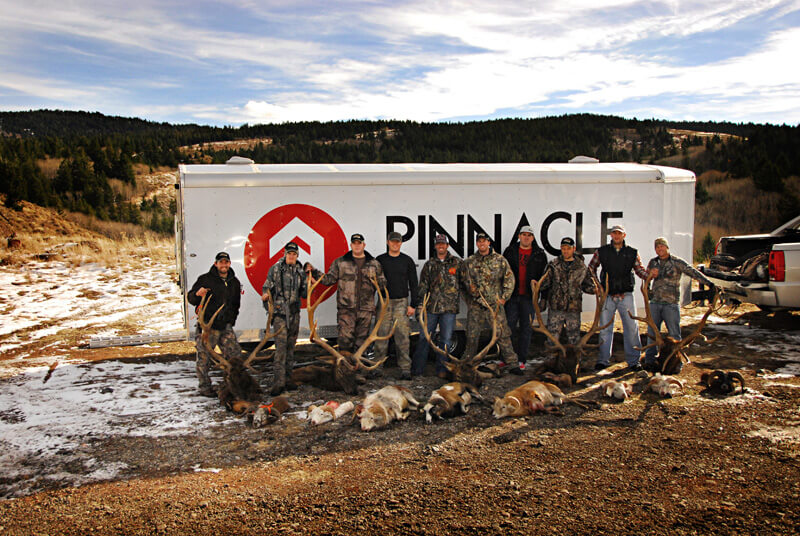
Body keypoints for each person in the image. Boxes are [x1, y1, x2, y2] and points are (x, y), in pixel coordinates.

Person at [643, 237, 719, 372]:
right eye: (657, 247)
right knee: (652, 334)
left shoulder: (677, 262)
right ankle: (649, 361)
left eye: (662, 246)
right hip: (655, 303)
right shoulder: (653, 262)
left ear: (667, 247)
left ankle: (676, 362)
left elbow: (692, 272)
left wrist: (709, 283)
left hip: (671, 304)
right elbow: (647, 278)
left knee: (675, 335)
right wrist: (648, 290)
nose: (660, 249)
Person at [307, 233, 387, 354]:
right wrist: (314, 272)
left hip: (366, 310)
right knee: (345, 341)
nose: (357, 246)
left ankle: (358, 370)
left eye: (359, 243)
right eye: (354, 243)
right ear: (351, 245)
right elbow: (329, 279)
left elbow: (382, 285)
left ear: (364, 245)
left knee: (361, 343)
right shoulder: (340, 262)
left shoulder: (374, 264)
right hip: (346, 310)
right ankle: (344, 369)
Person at [459, 232, 524, 375]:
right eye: (479, 241)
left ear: (489, 243)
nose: (482, 244)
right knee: (472, 336)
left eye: (484, 241)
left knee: (502, 334)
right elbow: (462, 284)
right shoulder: (469, 263)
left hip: (494, 306)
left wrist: (504, 298)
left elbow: (509, 279)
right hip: (476, 306)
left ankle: (512, 363)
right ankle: (468, 364)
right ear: (476, 243)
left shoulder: (500, 260)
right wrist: (469, 302)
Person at [588, 224, 649, 371]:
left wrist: (650, 275)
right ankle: (603, 360)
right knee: (605, 328)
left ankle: (634, 361)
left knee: (632, 328)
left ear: (624, 236)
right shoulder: (602, 251)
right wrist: (597, 284)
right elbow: (591, 268)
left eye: (619, 233)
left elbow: (639, 270)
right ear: (611, 235)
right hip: (608, 295)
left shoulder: (632, 252)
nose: (616, 236)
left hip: (626, 295)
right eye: (614, 233)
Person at [186, 251, 242, 397]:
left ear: (229, 264)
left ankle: (230, 384)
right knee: (204, 357)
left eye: (226, 262)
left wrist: (231, 321)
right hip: (207, 327)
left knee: (234, 356)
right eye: (221, 262)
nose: (224, 265)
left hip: (225, 327)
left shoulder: (234, 282)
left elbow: (236, 304)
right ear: (215, 264)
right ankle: (205, 387)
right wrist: (197, 294)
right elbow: (191, 298)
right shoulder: (205, 279)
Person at [413, 234, 462, 379]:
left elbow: (465, 283)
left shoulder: (457, 263)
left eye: (443, 244)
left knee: (445, 340)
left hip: (449, 310)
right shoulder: (429, 265)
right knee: (424, 338)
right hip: (431, 309)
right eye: (438, 244)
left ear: (447, 246)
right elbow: (423, 287)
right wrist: (420, 306)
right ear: (435, 246)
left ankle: (442, 369)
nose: (441, 246)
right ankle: (417, 370)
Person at [262, 241, 308, 395]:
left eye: (294, 254)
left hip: (295, 313)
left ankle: (288, 380)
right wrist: (267, 299)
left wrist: (309, 281)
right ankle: (278, 383)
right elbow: (266, 288)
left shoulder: (300, 271)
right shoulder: (275, 269)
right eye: (289, 253)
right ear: (285, 253)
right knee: (281, 349)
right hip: (281, 314)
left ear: (297, 255)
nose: (292, 256)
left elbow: (305, 294)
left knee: (291, 347)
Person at [374, 232, 419, 380]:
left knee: (403, 337)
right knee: (381, 336)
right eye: (393, 241)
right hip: (384, 303)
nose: (395, 244)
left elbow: (413, 284)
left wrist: (413, 305)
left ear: (401, 243)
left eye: (398, 242)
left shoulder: (407, 261)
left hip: (401, 302)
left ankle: (405, 368)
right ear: (388, 242)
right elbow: (372, 282)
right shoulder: (380, 260)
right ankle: (377, 367)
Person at [538, 237, 597, 345]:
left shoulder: (581, 267)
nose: (565, 251)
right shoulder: (553, 265)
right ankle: (551, 359)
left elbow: (587, 285)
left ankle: (574, 360)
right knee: (552, 337)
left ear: (573, 249)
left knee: (574, 338)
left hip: (573, 309)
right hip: (556, 308)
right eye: (563, 248)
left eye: (568, 248)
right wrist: (542, 296)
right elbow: (544, 285)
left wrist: (595, 290)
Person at [502, 225, 548, 362]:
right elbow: (502, 274)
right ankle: (508, 358)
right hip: (512, 297)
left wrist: (543, 297)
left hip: (529, 298)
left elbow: (545, 278)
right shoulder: (510, 252)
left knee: (526, 329)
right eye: (523, 235)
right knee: (508, 329)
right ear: (519, 236)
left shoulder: (539, 254)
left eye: (529, 235)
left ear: (533, 238)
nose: (526, 237)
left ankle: (522, 359)